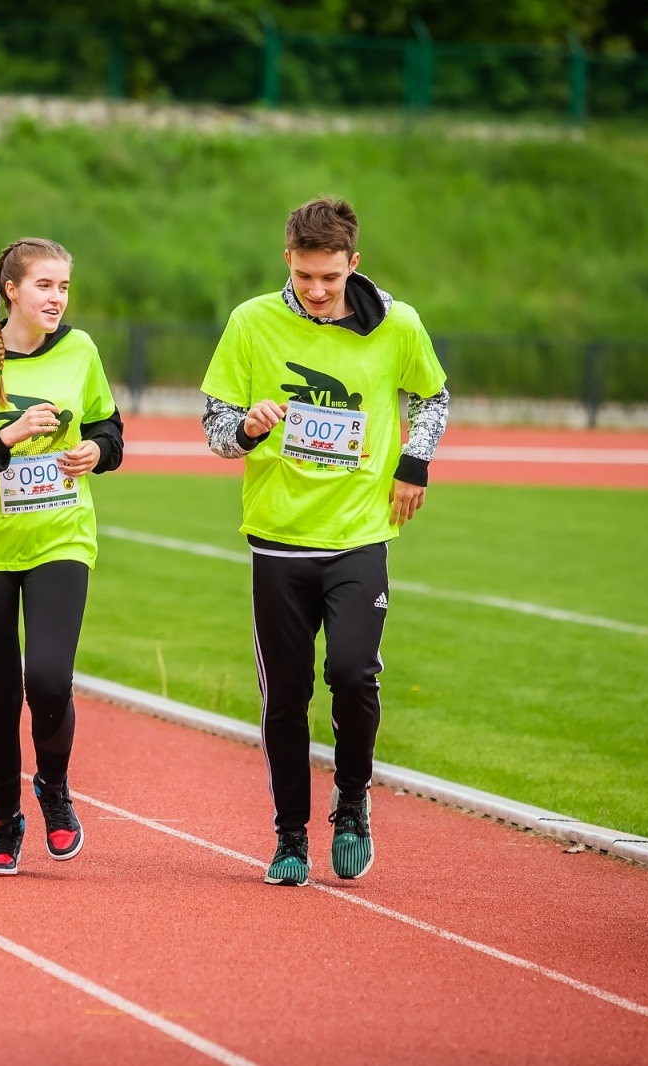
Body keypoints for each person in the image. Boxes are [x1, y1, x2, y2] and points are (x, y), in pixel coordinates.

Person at [200, 198, 449, 886]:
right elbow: (216, 429)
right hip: (278, 539)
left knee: (349, 672)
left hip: (357, 537)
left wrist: (414, 461)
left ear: (353, 265)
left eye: (330, 278)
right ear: (289, 260)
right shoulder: (252, 322)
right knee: (286, 697)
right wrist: (246, 429)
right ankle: (288, 837)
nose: (316, 290)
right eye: (306, 276)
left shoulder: (397, 326)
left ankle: (351, 800)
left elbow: (434, 398)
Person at [0, 237, 124, 876]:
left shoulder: (81, 349)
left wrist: (97, 453)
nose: (57, 298)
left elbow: (109, 429)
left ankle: (56, 791)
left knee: (47, 677)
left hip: (60, 539)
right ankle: (4, 822)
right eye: (45, 286)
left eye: (64, 287)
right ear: (11, 290)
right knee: (0, 692)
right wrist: (8, 437)